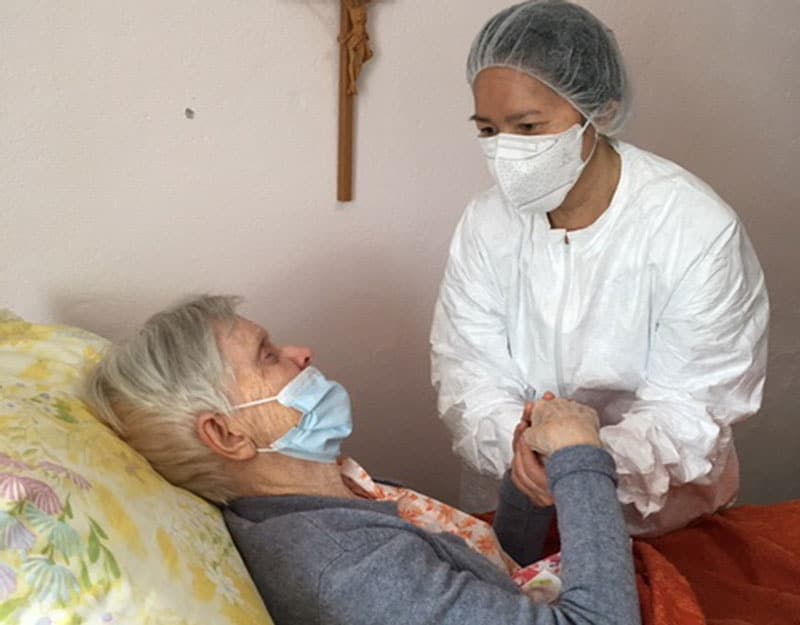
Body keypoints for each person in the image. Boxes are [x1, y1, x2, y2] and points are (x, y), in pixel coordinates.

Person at [85, 295, 640, 625]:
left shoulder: (333, 495)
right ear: (227, 435)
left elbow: (490, 579)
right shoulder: (348, 568)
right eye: (268, 356)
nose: (302, 354)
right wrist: (580, 458)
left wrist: (526, 488)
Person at [430, 0, 769, 536]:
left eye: (528, 125)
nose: (506, 151)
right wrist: (519, 445)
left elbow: (692, 407)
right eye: (489, 131)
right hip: (524, 504)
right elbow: (466, 370)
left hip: (659, 519)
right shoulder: (485, 224)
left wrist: (575, 456)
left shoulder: (695, 229)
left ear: (600, 112)